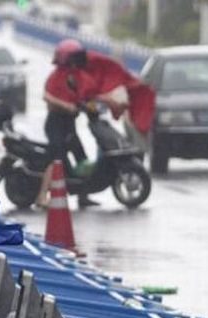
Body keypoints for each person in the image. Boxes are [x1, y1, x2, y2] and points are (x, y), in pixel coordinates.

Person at [35, 39, 154, 208]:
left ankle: (83, 195)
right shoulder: (56, 77)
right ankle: (41, 196)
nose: (79, 61)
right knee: (57, 160)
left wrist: (113, 102)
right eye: (75, 58)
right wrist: (66, 105)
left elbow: (92, 94)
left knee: (81, 157)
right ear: (66, 59)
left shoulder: (78, 75)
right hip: (56, 124)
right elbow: (47, 96)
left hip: (70, 123)